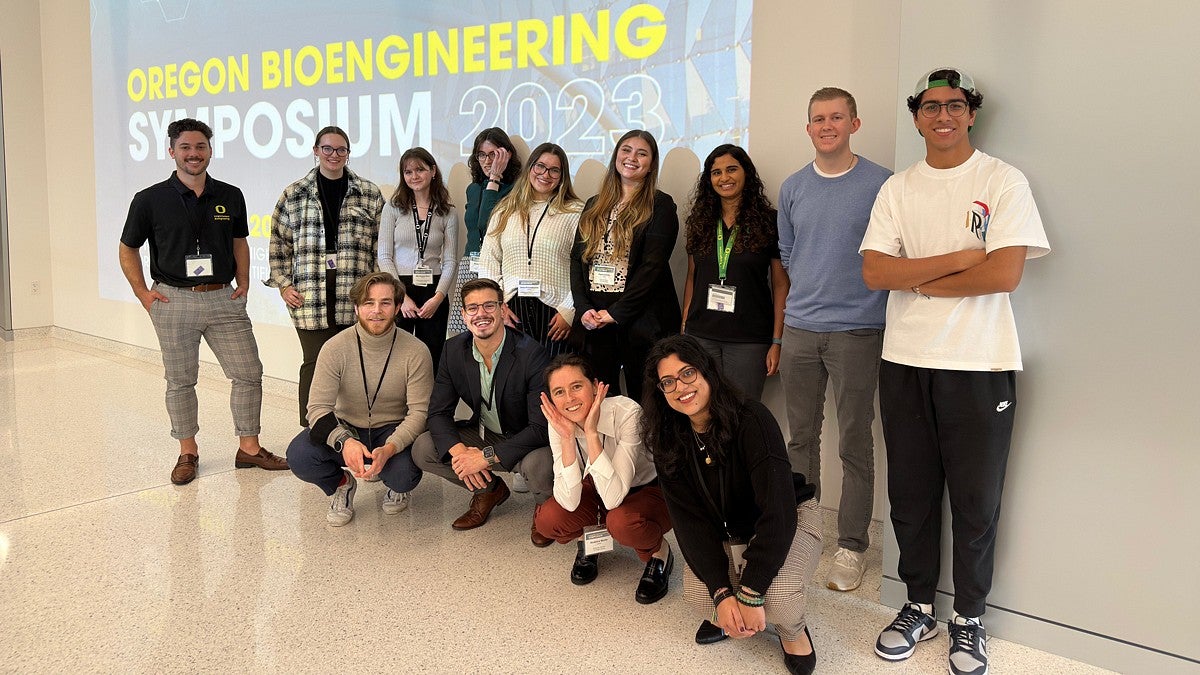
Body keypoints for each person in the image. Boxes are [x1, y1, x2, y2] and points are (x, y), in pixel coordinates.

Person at [860, 68, 1050, 675]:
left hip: (979, 363)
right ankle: (917, 605)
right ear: (916, 117)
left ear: (971, 114)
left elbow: (1004, 275)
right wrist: (961, 260)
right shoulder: (898, 190)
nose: (943, 115)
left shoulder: (1002, 180)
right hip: (905, 361)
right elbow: (873, 273)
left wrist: (919, 275)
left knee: (975, 500)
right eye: (931, 106)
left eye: (956, 105)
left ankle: (968, 619)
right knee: (911, 496)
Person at [118, 118, 287, 485]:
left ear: (210, 151)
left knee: (248, 373)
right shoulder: (149, 200)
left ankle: (250, 449)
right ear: (171, 152)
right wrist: (143, 295)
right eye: (186, 148)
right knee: (181, 381)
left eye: (200, 147)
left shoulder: (230, 194)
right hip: (173, 299)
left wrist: (242, 281)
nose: (194, 154)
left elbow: (240, 241)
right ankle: (188, 452)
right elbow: (128, 248)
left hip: (223, 298)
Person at [642, 334, 820, 675]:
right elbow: (689, 524)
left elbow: (778, 512)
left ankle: (790, 629)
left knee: (778, 599)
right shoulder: (668, 438)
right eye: (668, 382)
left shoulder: (752, 418)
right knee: (700, 596)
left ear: (707, 371)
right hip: (729, 531)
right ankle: (734, 612)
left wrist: (751, 593)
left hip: (789, 517)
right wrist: (723, 593)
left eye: (688, 373)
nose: (681, 387)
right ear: (661, 392)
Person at [776, 87, 893, 593]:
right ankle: (804, 536)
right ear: (808, 129)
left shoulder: (881, 184)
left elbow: (891, 251)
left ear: (854, 123)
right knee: (800, 439)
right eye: (818, 119)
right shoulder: (794, 187)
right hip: (801, 327)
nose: (827, 126)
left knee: (855, 442)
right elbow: (787, 252)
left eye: (837, 117)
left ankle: (851, 546)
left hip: (857, 331)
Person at [411, 278, 555, 546]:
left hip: (526, 442)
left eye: (489, 305)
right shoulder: (454, 350)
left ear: (502, 310)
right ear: (464, 315)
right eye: (473, 308)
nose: (481, 314)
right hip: (485, 433)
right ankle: (489, 490)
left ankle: (544, 508)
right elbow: (438, 412)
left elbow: (540, 428)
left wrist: (485, 457)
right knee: (424, 446)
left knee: (540, 465)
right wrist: (461, 453)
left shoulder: (532, 354)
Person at [285, 272, 432, 526]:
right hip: (347, 427)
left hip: (391, 430)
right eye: (368, 303)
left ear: (398, 307)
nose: (377, 310)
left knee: (404, 475)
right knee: (299, 455)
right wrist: (346, 443)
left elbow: (419, 412)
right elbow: (318, 409)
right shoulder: (334, 347)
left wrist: (390, 448)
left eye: (385, 303)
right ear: (356, 308)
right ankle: (341, 485)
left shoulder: (416, 351)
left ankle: (395, 485)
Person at [267, 126, 386, 426]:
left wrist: (377, 294)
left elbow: (379, 248)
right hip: (309, 295)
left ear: (348, 153)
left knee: (356, 365)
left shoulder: (369, 193)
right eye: (328, 149)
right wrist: (283, 285)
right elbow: (279, 243)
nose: (334, 155)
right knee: (315, 363)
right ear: (316, 150)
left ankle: (354, 429)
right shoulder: (294, 194)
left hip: (355, 294)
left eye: (341, 150)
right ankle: (313, 430)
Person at [534, 354, 673, 603]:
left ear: (596, 387)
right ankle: (588, 539)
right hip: (598, 486)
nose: (569, 399)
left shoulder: (627, 412)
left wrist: (590, 433)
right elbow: (568, 501)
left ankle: (658, 552)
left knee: (620, 522)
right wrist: (566, 438)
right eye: (559, 392)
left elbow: (613, 498)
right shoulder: (557, 421)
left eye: (577, 387)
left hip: (647, 489)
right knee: (548, 520)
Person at [571, 130, 680, 402]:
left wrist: (617, 313)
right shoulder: (594, 205)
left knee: (647, 402)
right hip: (597, 323)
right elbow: (577, 258)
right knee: (604, 401)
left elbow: (652, 267)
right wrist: (584, 308)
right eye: (626, 150)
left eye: (642, 153)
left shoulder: (661, 205)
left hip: (641, 322)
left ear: (652, 163)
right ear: (616, 156)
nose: (632, 158)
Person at [681, 144, 785, 399]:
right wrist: (684, 329)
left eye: (731, 169)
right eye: (716, 172)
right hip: (701, 336)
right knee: (702, 412)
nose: (724, 178)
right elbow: (692, 277)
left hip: (749, 340)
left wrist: (777, 341)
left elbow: (781, 285)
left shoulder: (769, 221)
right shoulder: (700, 221)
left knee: (743, 414)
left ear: (746, 173)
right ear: (709, 180)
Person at [480, 142, 583, 357]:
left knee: (555, 380)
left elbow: (584, 267)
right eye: (540, 166)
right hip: (512, 310)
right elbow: (488, 261)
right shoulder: (505, 210)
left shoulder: (576, 212)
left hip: (556, 313)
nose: (546, 174)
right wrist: (497, 306)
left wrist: (569, 310)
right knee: (518, 382)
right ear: (530, 168)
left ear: (563, 176)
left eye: (554, 170)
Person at [378, 146, 458, 368]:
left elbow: (450, 260)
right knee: (396, 356)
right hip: (400, 288)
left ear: (433, 171)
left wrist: (438, 298)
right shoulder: (393, 208)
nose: (414, 176)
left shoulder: (447, 212)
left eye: (419, 170)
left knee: (431, 358)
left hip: (434, 291)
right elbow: (384, 256)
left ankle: (428, 403)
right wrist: (401, 296)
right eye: (408, 172)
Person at [450, 128, 523, 334]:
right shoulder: (473, 189)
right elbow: (475, 227)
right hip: (469, 264)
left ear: (506, 155)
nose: (487, 161)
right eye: (482, 155)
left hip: (496, 265)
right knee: (462, 331)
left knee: (491, 328)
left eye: (493, 155)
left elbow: (487, 224)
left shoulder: (515, 191)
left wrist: (495, 179)